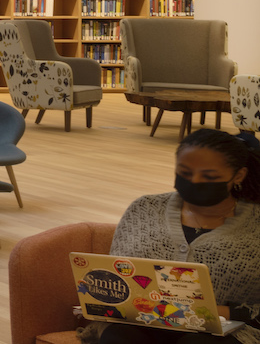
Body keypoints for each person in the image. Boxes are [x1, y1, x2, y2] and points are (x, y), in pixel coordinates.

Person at [89, 129, 260, 342]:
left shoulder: (255, 224)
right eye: (185, 172)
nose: (194, 181)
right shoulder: (143, 209)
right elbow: (118, 275)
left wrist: (213, 311)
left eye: (209, 176)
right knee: (118, 336)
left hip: (227, 328)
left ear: (238, 176)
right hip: (142, 320)